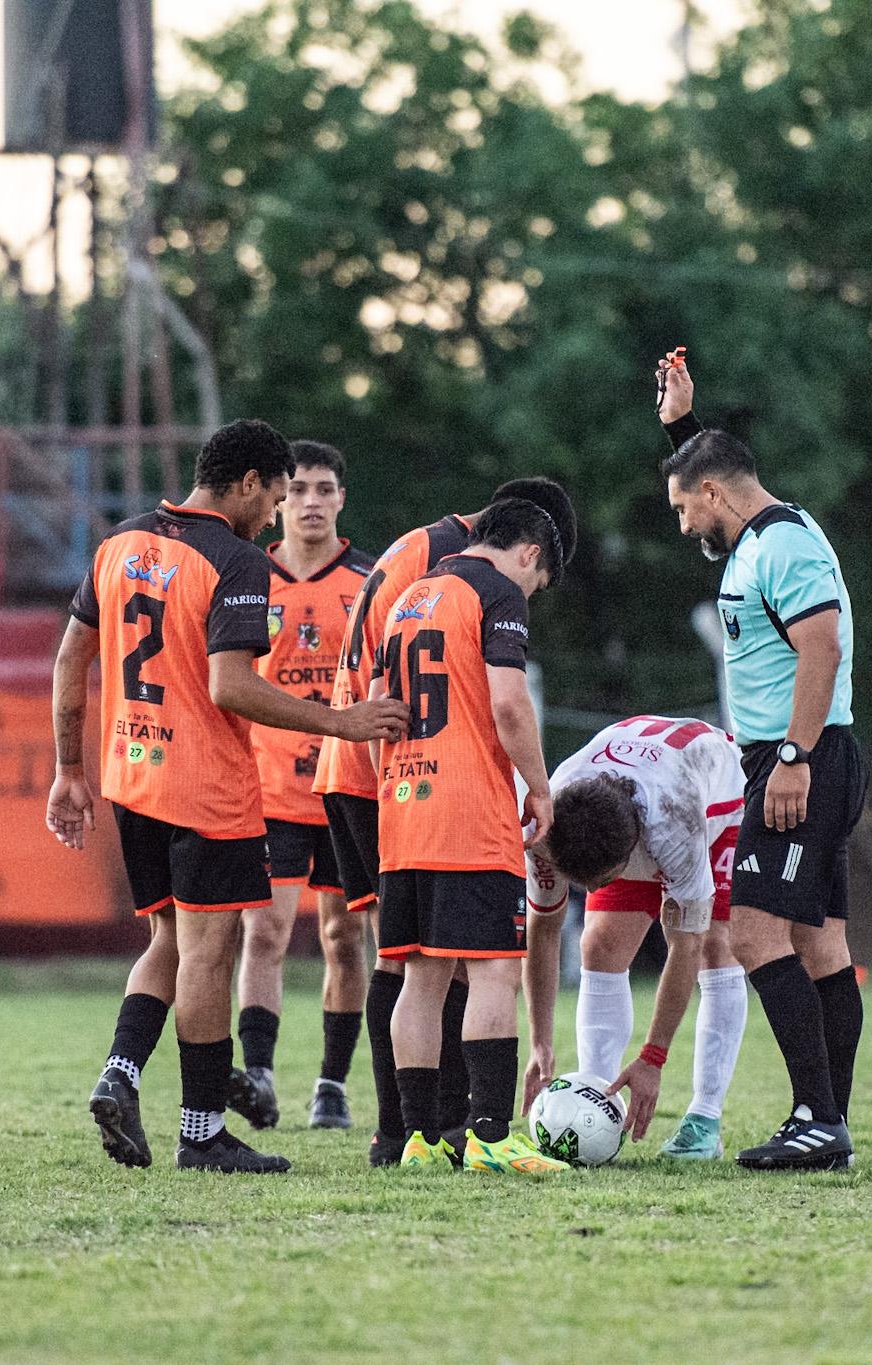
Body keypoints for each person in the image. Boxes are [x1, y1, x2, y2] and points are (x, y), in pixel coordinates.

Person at [45, 418, 406, 1175]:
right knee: (210, 953)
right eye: (274, 496)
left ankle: (121, 1070)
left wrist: (68, 771)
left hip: (129, 775)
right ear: (246, 484)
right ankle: (202, 1132)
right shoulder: (236, 560)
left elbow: (72, 655)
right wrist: (339, 720)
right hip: (204, 788)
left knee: (168, 942)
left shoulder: (122, 541)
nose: (275, 513)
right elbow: (230, 686)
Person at [313, 474, 577, 1166]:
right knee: (494, 971)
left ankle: (422, 1140)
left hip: (402, 814)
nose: (532, 594)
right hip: (469, 815)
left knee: (420, 976)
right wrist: (540, 787)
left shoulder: (409, 595)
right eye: (539, 580)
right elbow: (511, 704)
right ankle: (491, 1137)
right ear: (527, 552)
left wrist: (397, 779)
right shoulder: (494, 593)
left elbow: (375, 706)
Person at [658, 350, 866, 1171]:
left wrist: (791, 757)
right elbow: (711, 464)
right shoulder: (756, 536)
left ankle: (818, 1114)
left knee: (750, 932)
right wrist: (681, 422)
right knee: (819, 946)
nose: (682, 526)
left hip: (800, 763)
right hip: (807, 758)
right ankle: (827, 1123)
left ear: (714, 494)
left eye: (684, 507)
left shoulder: (782, 547)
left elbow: (822, 647)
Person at [522, 715, 751, 1160]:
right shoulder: (545, 828)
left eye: (599, 880)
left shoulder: (676, 824)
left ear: (630, 853)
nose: (589, 891)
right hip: (623, 796)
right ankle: (595, 1097)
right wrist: (540, 1043)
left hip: (720, 802)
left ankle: (704, 1120)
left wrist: (653, 1057)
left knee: (715, 949)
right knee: (600, 944)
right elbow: (543, 930)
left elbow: (686, 942)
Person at [235, 441, 375, 1131]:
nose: (312, 501)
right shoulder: (249, 578)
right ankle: (257, 1074)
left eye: (325, 487)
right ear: (278, 500)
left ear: (341, 498)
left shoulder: (372, 582)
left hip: (346, 785)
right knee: (263, 930)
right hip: (270, 788)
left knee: (345, 937)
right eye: (299, 490)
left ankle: (331, 1083)